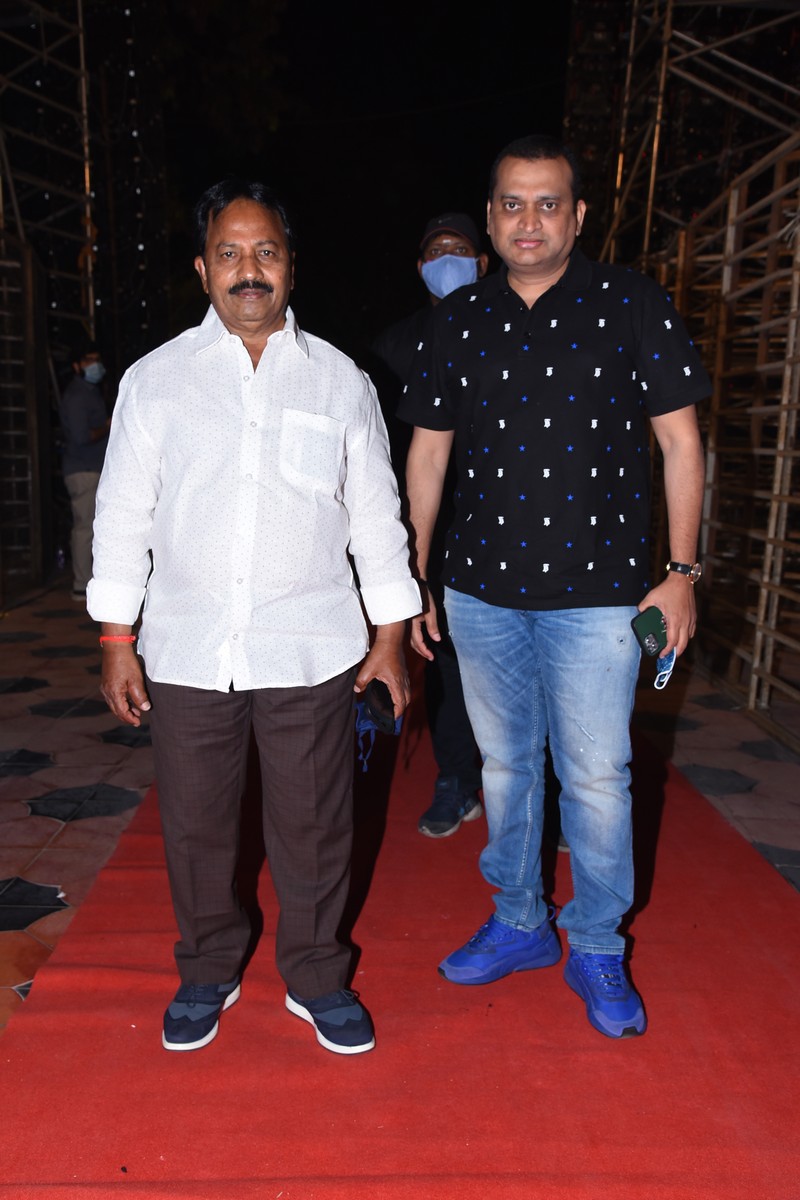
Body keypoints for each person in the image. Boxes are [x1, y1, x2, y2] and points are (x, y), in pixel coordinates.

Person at [88, 179, 420, 1056]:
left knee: (315, 824)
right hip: (189, 646)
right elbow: (121, 516)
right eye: (229, 253)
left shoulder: (340, 380)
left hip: (310, 645)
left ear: (291, 265)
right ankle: (208, 968)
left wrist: (391, 635)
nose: (249, 270)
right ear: (202, 269)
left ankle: (316, 976)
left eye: (265, 251)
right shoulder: (155, 381)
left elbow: (375, 515)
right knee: (197, 823)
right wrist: (116, 637)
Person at [399, 134, 708, 1039]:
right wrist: (414, 574)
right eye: (511, 203)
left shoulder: (633, 303)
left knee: (598, 777)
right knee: (503, 767)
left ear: (577, 216)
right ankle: (520, 921)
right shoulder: (457, 321)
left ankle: (599, 944)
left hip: (601, 596)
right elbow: (428, 454)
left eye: (547, 204)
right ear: (490, 218)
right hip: (480, 592)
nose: (527, 221)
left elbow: (681, 442)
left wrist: (681, 574)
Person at [371, 213, 488, 838]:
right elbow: (385, 451)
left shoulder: (514, 328)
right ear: (421, 268)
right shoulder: (393, 349)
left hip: (509, 525)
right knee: (445, 661)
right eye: (437, 250)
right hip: (430, 534)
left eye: (460, 249)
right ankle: (457, 778)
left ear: (482, 263)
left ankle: (546, 794)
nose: (448, 259)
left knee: (529, 665)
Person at [57, 342, 109, 600]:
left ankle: (87, 581)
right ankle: (81, 583)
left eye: (96, 358)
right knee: (85, 527)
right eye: (89, 360)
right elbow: (82, 436)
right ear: (77, 366)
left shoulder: (89, 392)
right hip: (83, 469)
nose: (95, 365)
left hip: (91, 467)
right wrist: (108, 425)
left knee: (90, 526)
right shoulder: (78, 396)